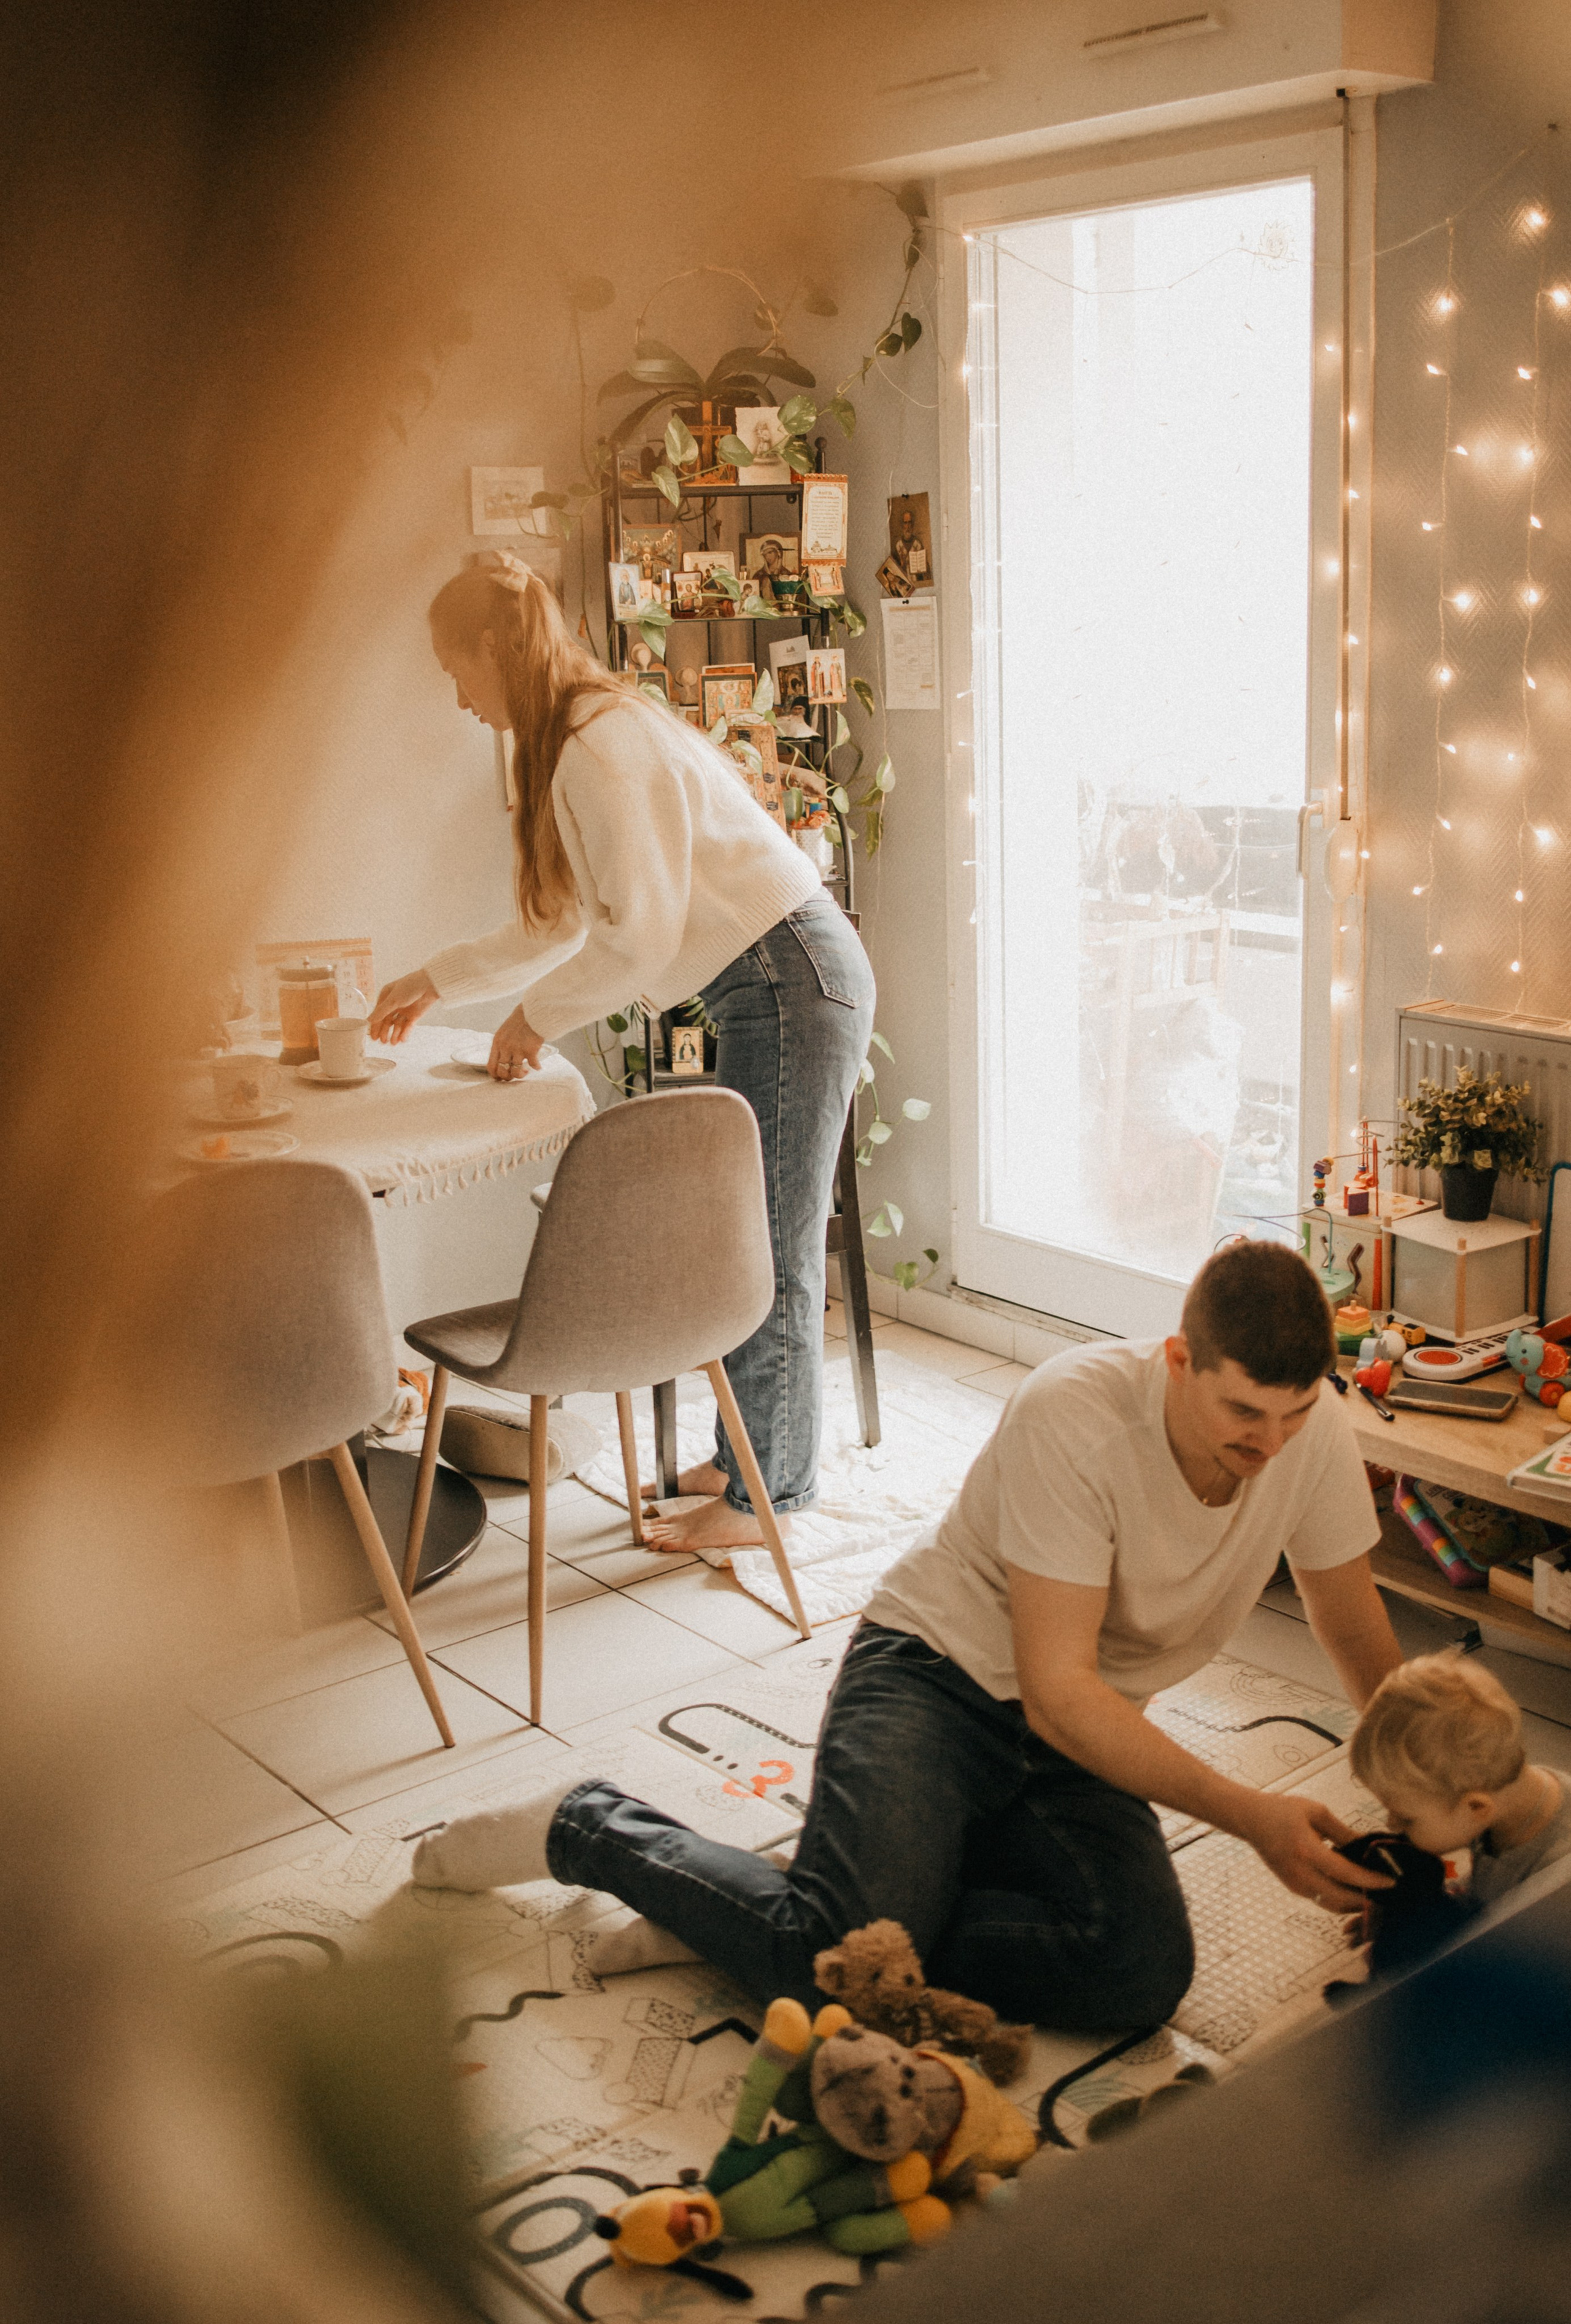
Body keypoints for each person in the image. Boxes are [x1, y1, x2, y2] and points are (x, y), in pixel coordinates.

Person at [410, 1241, 1406, 2030]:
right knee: (846, 1970)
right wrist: (1251, 1813)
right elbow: (1056, 1688)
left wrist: (1419, 1787)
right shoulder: (1078, 1411)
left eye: (1293, 1413)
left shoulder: (1307, 1433)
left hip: (1085, 1732)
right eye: (1243, 1410)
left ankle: (769, 1910)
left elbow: (1348, 1615)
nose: (1268, 1442)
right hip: (940, 1677)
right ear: (1179, 1359)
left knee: (1138, 1970)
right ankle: (589, 1825)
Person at [368, 552, 873, 1554]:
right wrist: (437, 979)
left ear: (491, 646)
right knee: (746, 1242)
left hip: (789, 982)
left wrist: (534, 1021)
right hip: (776, 984)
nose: (456, 695)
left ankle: (768, 1493)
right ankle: (747, 1464)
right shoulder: (579, 738)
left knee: (768, 1247)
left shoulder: (598, 746)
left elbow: (635, 937)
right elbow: (559, 922)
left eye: (452, 668)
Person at [1350, 1653, 1571, 1910]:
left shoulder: (1557, 1878)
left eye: (1407, 1818)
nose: (1392, 1825)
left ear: (1475, 1807)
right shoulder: (1500, 1788)